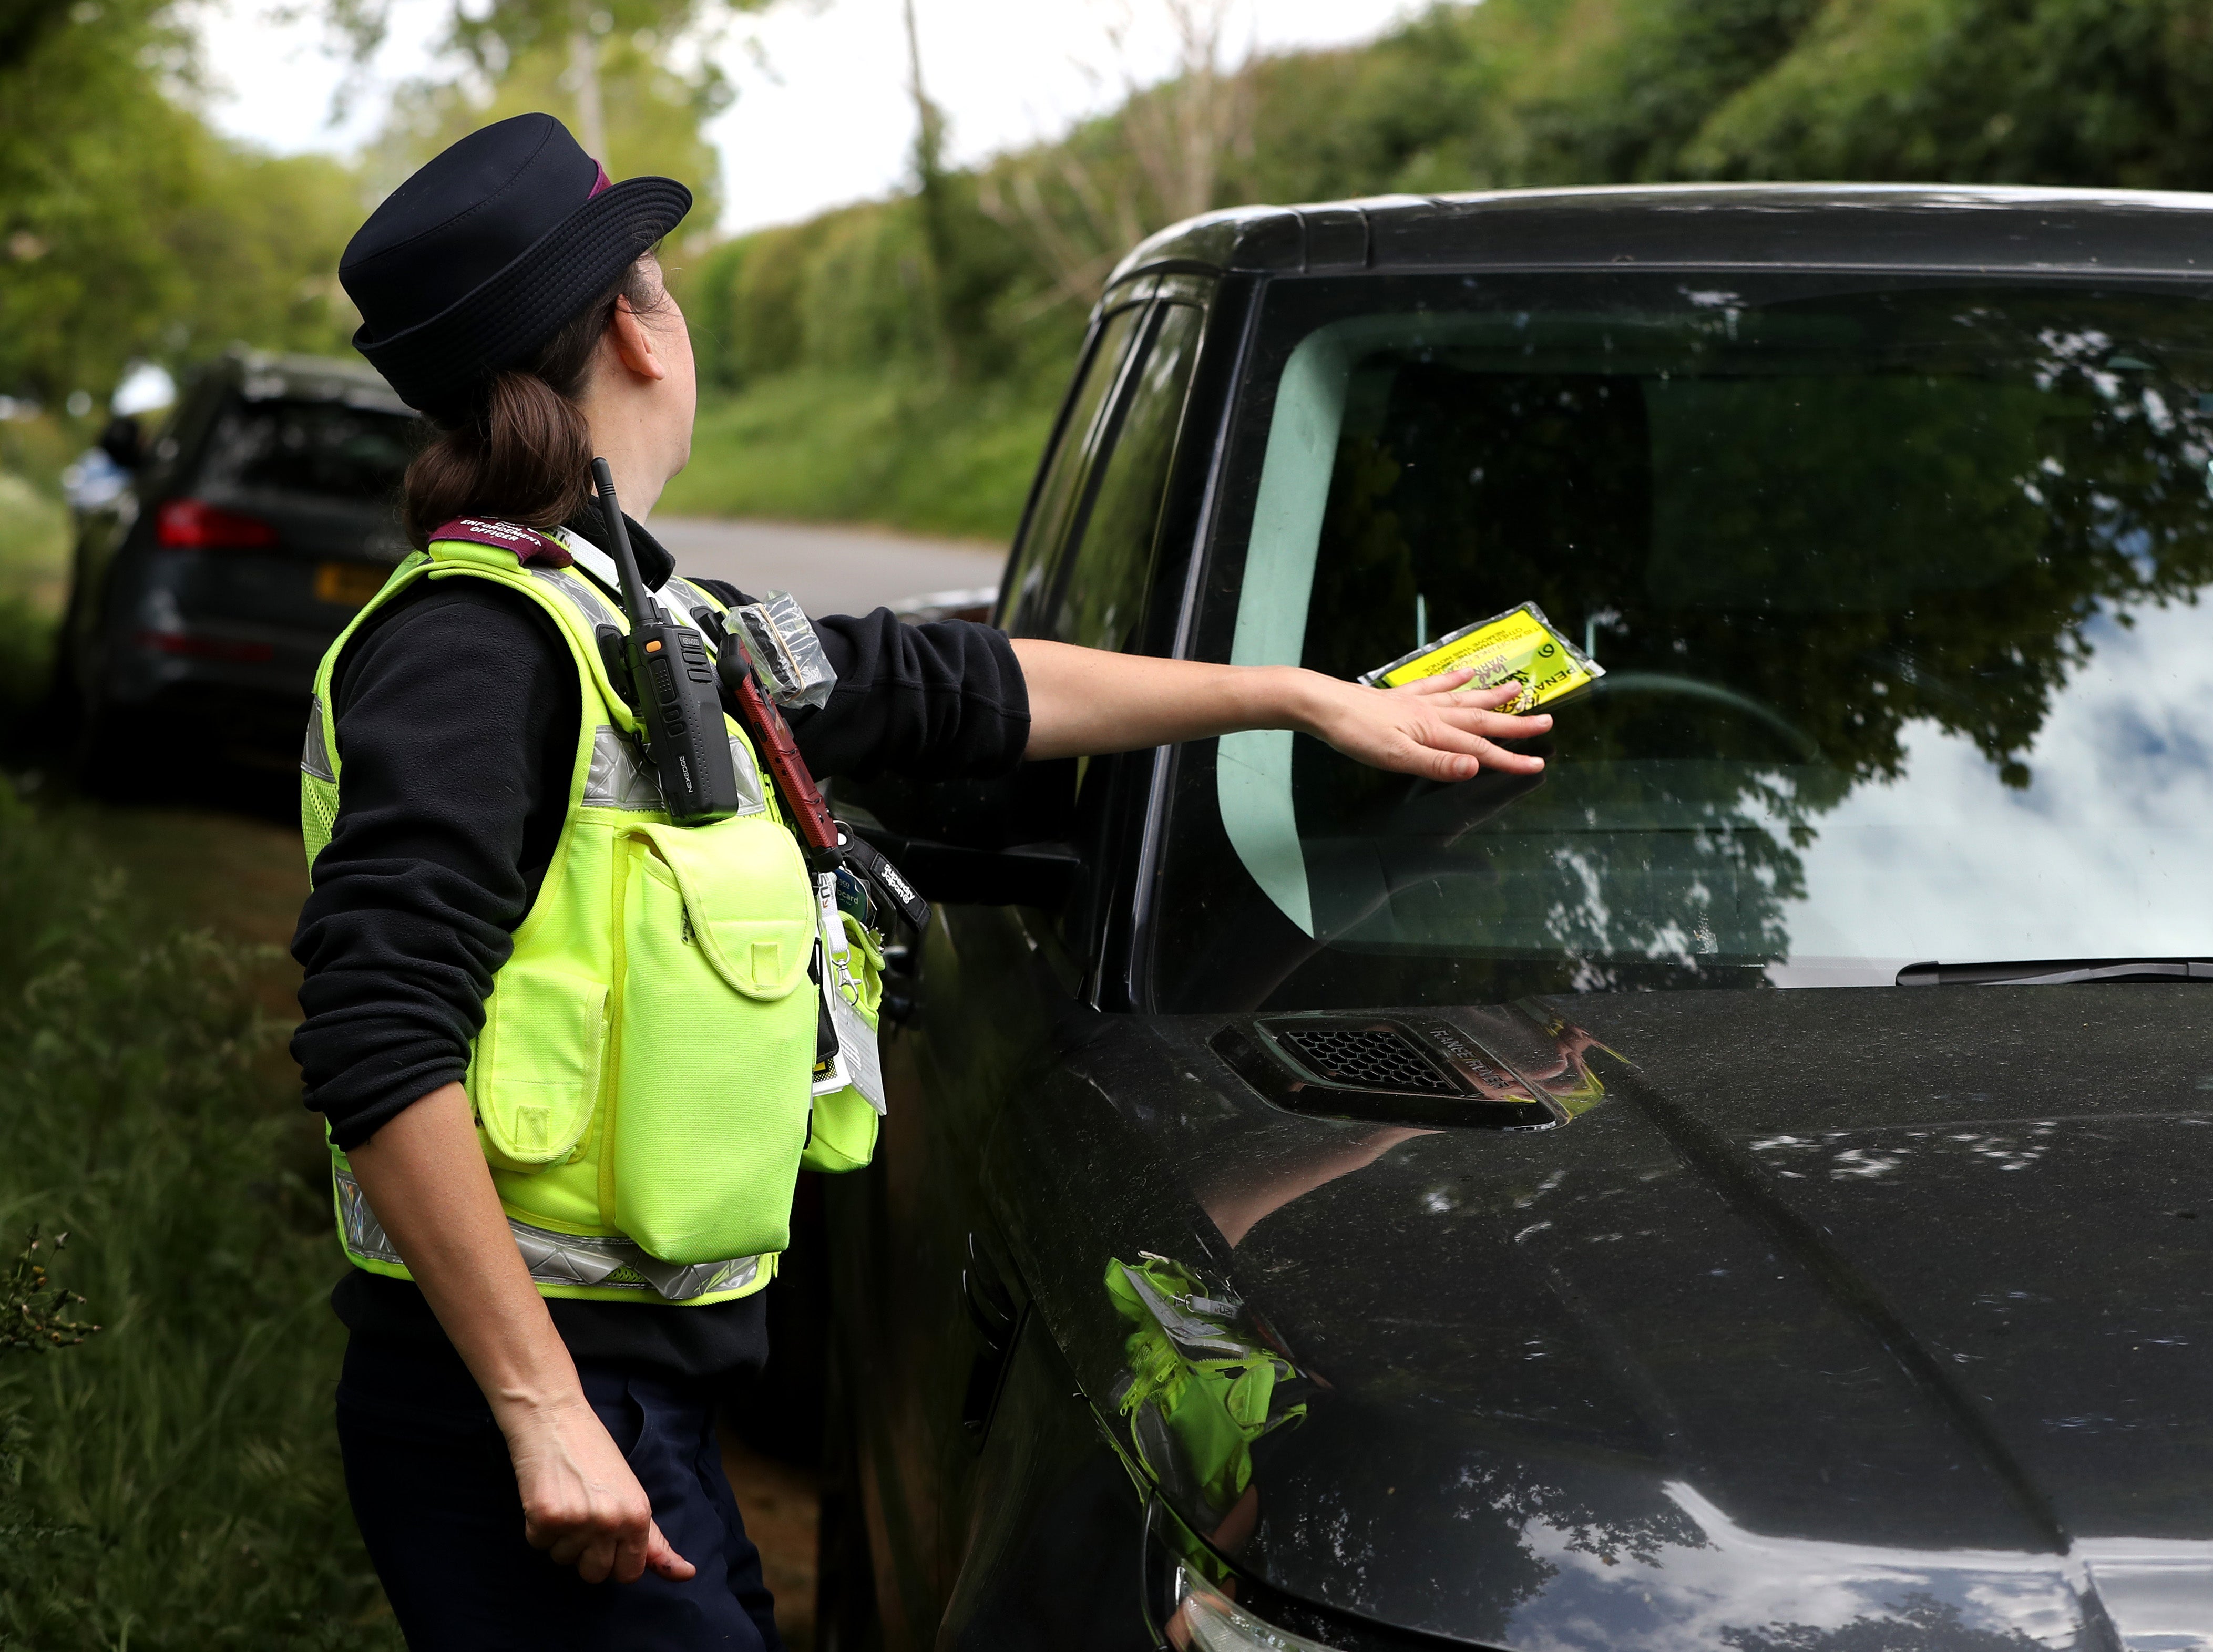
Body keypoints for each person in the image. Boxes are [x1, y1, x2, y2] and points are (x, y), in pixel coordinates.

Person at [295, 111, 1552, 1650]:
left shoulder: (654, 619)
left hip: (649, 1393)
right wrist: (540, 1411)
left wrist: (1294, 695)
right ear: (636, 327)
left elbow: (955, 685)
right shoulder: (477, 649)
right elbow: (377, 1038)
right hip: (536, 1408)